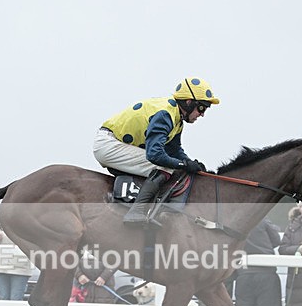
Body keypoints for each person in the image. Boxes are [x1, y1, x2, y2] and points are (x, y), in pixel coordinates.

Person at [93, 77, 219, 225]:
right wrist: (183, 165)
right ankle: (136, 212)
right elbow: (155, 155)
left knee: (171, 166)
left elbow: (174, 149)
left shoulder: (176, 119)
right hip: (109, 144)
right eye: (202, 108)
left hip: (115, 144)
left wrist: (190, 162)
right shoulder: (166, 114)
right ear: (189, 102)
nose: (202, 114)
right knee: (164, 166)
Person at [232, 218, 282, 306]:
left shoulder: (235, 222)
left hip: (244, 274)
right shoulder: (262, 220)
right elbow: (276, 240)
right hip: (266, 273)